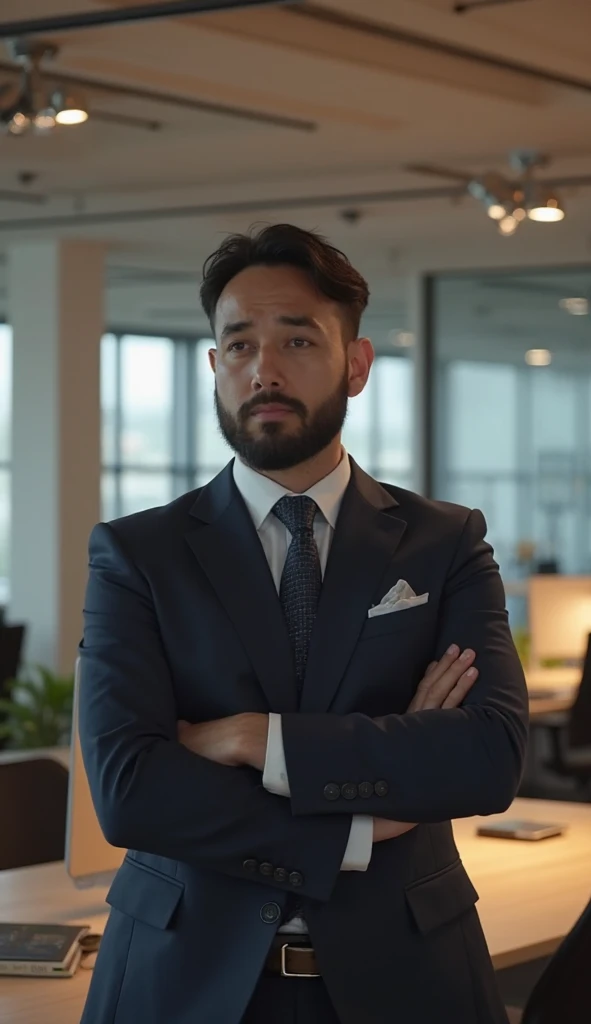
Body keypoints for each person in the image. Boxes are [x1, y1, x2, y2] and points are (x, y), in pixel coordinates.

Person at [78, 223, 528, 1024]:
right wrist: (363, 823)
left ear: (355, 366)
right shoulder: (137, 555)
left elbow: (488, 757)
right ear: (215, 368)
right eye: (240, 345)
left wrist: (256, 739)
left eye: (297, 340)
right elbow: (131, 793)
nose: (266, 370)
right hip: (182, 984)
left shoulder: (443, 542)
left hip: (411, 979)